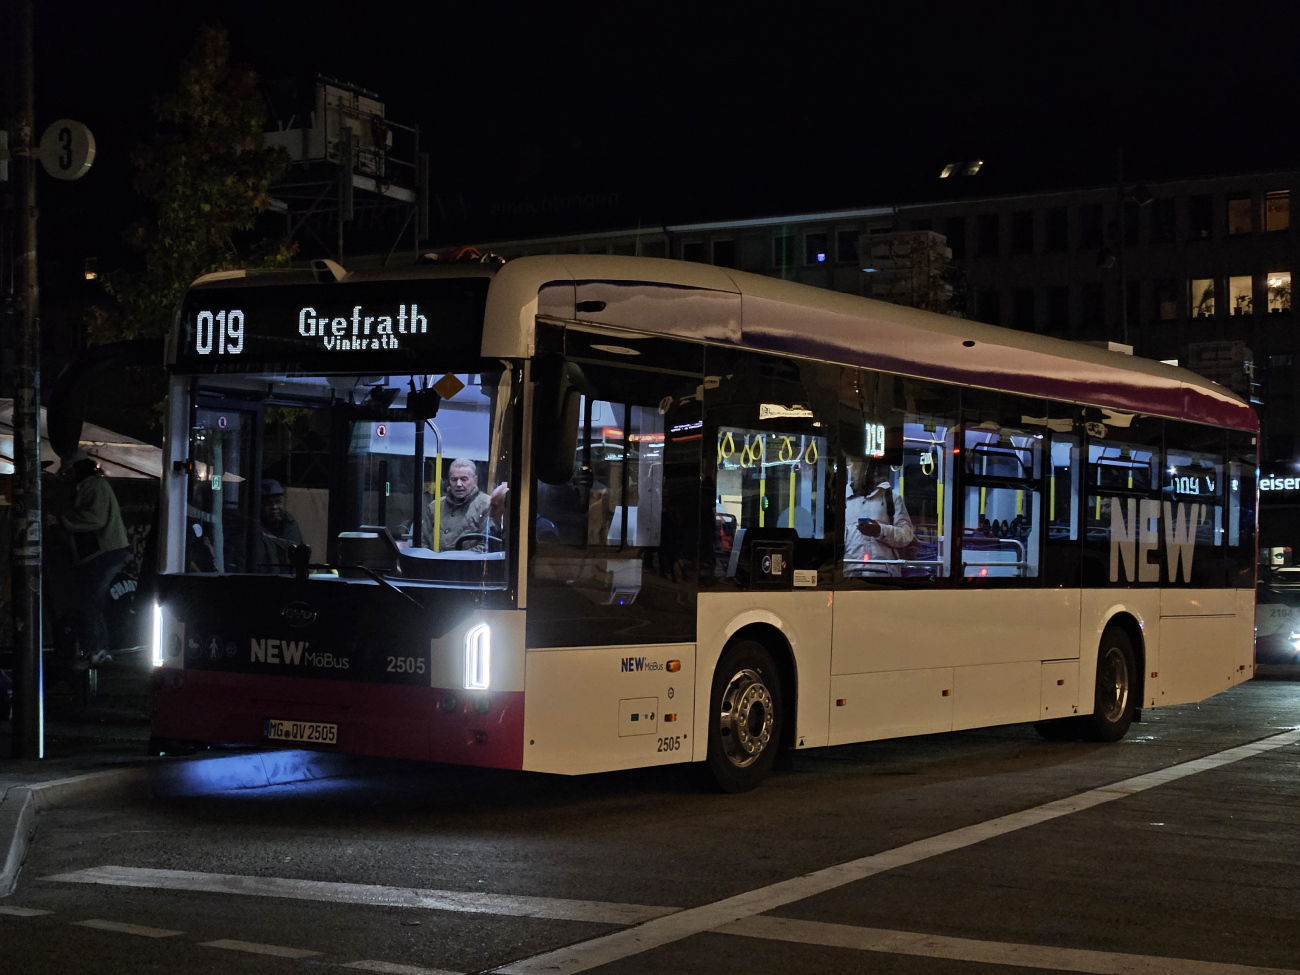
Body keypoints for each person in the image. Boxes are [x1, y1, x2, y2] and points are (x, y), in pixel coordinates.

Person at [45, 449, 130, 667]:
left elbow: (96, 519)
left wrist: (62, 521)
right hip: (101, 553)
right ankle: (97, 650)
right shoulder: (91, 486)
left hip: (105, 552)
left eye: (69, 471)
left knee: (89, 600)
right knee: (90, 600)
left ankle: (97, 650)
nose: (67, 476)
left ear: (77, 468)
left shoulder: (94, 487)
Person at [844, 457, 915, 579]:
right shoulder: (843, 500)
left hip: (885, 574)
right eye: (854, 468)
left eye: (862, 469)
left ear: (874, 472)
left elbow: (906, 535)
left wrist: (880, 531)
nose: (857, 473)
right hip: (850, 574)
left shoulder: (891, 498)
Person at [422, 458, 508, 552]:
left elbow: (487, 545)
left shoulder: (487, 505)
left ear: (475, 481)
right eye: (454, 479)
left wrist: (453, 559)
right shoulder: (435, 506)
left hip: (469, 565)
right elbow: (423, 542)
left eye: (464, 479)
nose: (458, 484)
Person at [254, 479, 304, 572]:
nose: (274, 507)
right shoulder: (251, 532)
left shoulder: (291, 527)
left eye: (278, 502)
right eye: (268, 503)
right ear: (259, 506)